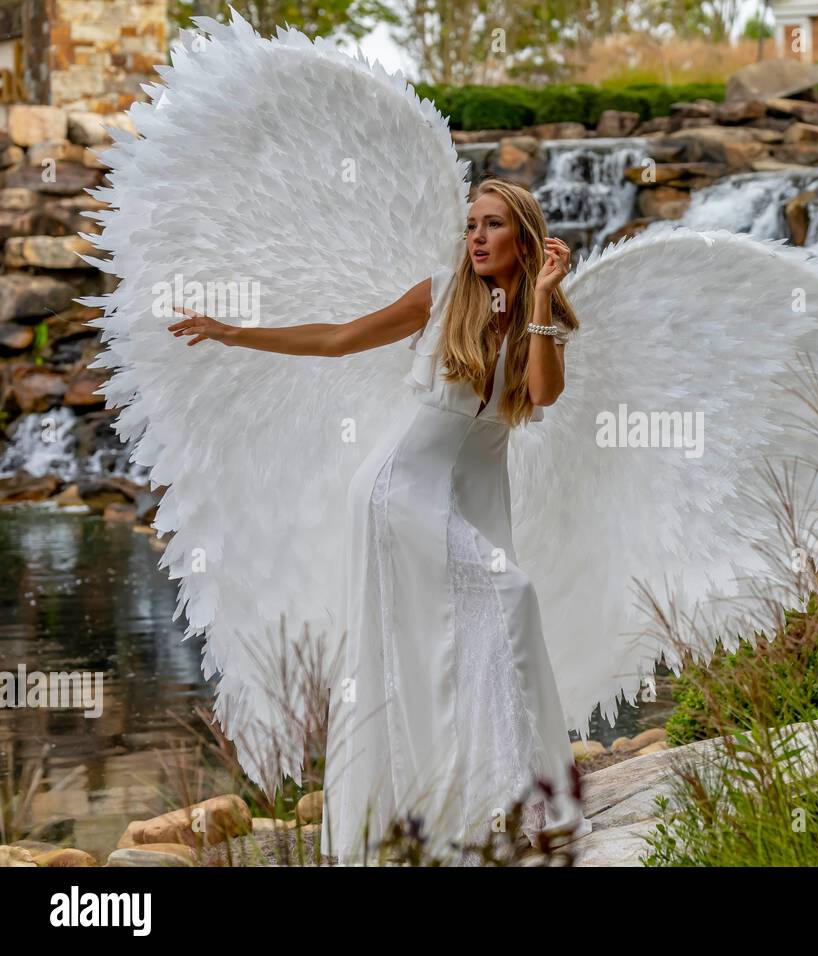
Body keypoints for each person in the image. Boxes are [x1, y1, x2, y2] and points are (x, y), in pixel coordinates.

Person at [166, 177, 593, 865]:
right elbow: (339, 339)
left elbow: (543, 392)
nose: (477, 239)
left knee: (461, 639)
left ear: (525, 236)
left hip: (455, 501)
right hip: (396, 493)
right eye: (471, 226)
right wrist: (230, 332)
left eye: (492, 226)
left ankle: (486, 801)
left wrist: (540, 299)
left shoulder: (540, 320)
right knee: (505, 600)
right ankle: (486, 801)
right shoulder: (440, 296)